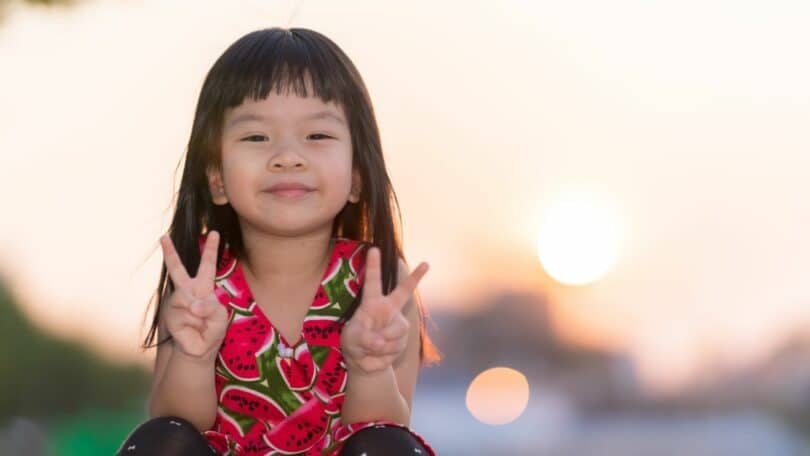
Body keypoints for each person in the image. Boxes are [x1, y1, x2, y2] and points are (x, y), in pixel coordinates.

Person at [117, 27, 442, 456]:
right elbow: (175, 424)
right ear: (216, 179)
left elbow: (384, 430)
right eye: (256, 137)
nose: (288, 156)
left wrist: (369, 367)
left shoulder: (376, 285)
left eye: (317, 136)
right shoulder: (200, 283)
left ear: (357, 176)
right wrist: (194, 357)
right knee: (163, 440)